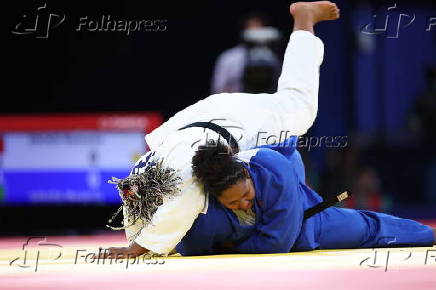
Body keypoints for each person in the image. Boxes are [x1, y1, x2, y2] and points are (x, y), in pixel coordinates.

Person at [102, 1, 341, 258]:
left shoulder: (184, 176)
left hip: (235, 118)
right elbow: (137, 208)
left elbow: (180, 205)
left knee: (300, 107)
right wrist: (137, 242)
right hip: (200, 119)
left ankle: (304, 22)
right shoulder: (143, 174)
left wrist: (136, 248)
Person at [176, 138, 435, 255]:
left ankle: (428, 235)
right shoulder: (202, 205)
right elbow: (189, 247)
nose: (243, 203)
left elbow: (277, 244)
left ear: (246, 173)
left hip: (304, 215)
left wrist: (230, 247)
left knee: (366, 229)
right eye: (233, 203)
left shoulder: (270, 168)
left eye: (246, 194)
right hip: (277, 207)